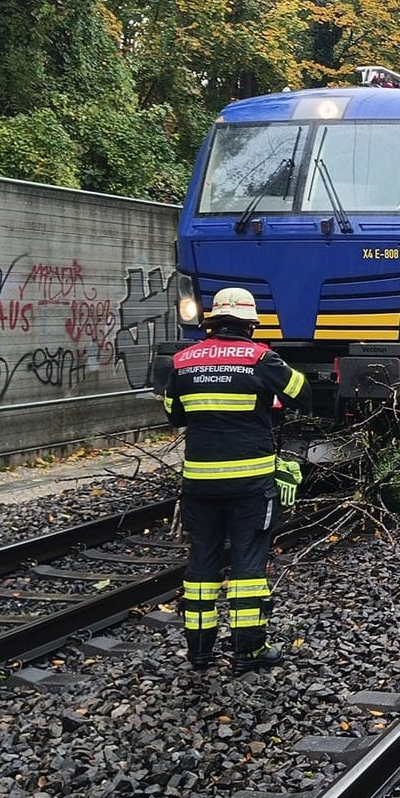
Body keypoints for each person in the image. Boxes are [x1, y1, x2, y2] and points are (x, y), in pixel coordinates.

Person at [163, 288, 308, 672]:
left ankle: (199, 652)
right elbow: (301, 393)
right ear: (250, 324)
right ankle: (248, 651)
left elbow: (174, 415)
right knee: (247, 567)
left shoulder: (182, 362)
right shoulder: (261, 357)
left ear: (211, 322)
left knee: (201, 568)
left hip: (199, 485)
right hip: (250, 486)